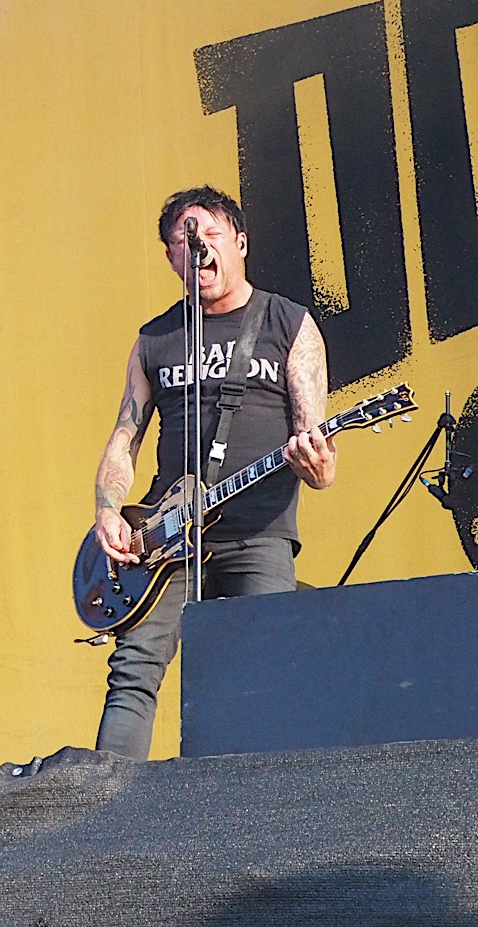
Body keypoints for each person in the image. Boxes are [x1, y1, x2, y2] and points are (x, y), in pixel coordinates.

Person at [91, 186, 336, 758]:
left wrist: (319, 467)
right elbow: (125, 435)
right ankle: (102, 801)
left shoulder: (289, 324)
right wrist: (108, 508)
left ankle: (257, 802)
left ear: (240, 243)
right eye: (184, 239)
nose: (197, 246)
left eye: (209, 234)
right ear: (171, 257)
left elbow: (315, 446)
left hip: (258, 533)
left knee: (269, 670)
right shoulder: (155, 339)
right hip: (168, 535)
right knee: (134, 667)